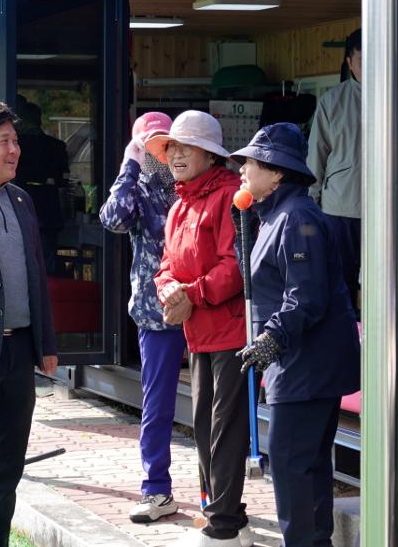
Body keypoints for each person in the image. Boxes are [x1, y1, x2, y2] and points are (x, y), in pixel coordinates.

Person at [231, 122, 360, 547]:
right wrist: (242, 226)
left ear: (276, 172)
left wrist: (271, 338)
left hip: (306, 364)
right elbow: (261, 283)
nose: (242, 169)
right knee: (308, 465)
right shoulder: (273, 216)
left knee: (291, 466)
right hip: (297, 362)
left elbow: (306, 296)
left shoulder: (297, 217)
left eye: (251, 162)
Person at [149, 110, 254, 547]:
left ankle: (223, 525)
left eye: (186, 147)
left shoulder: (231, 197)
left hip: (231, 331)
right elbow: (165, 266)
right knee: (203, 424)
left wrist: (190, 293)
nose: (176, 155)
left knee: (224, 427)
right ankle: (224, 514)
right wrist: (168, 290)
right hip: (197, 330)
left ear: (210, 155)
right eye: (172, 147)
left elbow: (236, 267)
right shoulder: (178, 205)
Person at [0, 101, 59, 547]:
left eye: (16, 141)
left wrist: (46, 343)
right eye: (4, 141)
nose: (15, 150)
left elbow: (36, 274)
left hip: (19, 351)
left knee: (8, 466)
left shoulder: (21, 199)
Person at [99, 111, 185, 523]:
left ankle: (217, 493)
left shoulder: (190, 183)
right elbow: (113, 218)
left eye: (165, 143)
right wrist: (130, 164)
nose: (159, 152)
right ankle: (156, 489)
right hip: (156, 313)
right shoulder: (138, 188)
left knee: (215, 404)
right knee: (158, 405)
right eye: (149, 144)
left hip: (205, 305)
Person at [306, 28, 362, 311]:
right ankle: (348, 331)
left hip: (392, 208)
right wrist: (311, 203)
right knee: (341, 280)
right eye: (362, 61)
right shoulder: (332, 101)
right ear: (349, 62)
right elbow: (317, 154)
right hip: (339, 207)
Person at [14, 96, 70, 272]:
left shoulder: (15, 145)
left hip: (19, 202)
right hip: (48, 206)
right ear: (39, 120)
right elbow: (62, 181)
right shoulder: (56, 146)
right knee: (46, 263)